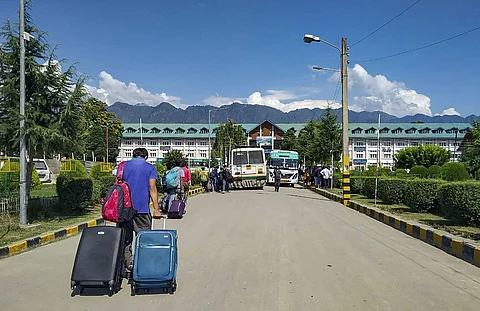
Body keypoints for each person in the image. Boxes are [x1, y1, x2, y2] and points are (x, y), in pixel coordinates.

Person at [118, 148, 160, 273]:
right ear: (145, 157)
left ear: (133, 155)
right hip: (142, 209)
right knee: (144, 238)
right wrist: (156, 209)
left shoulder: (122, 166)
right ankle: (142, 265)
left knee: (125, 239)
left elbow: (118, 186)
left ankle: (129, 264)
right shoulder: (150, 168)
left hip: (124, 209)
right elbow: (152, 189)